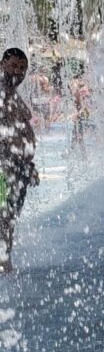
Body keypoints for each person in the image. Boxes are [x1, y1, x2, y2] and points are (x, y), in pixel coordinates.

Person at [0, 47, 38, 273]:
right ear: (2, 65)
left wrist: (29, 164)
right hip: (3, 168)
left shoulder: (11, 92)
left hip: (18, 168)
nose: (18, 72)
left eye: (22, 68)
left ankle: (5, 261)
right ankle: (4, 263)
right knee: (3, 215)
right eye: (14, 65)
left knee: (10, 217)